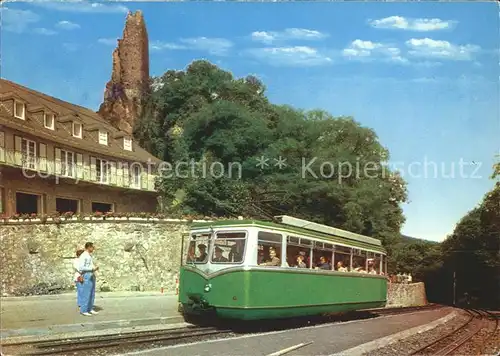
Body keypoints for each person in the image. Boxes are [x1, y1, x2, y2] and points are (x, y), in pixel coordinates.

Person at [78, 242, 99, 316]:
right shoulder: (83, 256)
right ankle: (84, 310)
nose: (93, 249)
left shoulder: (89, 256)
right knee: (86, 293)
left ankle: (90, 308)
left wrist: (94, 269)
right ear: (89, 247)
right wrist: (92, 268)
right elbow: (81, 267)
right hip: (86, 274)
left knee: (91, 293)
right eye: (92, 247)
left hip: (91, 274)